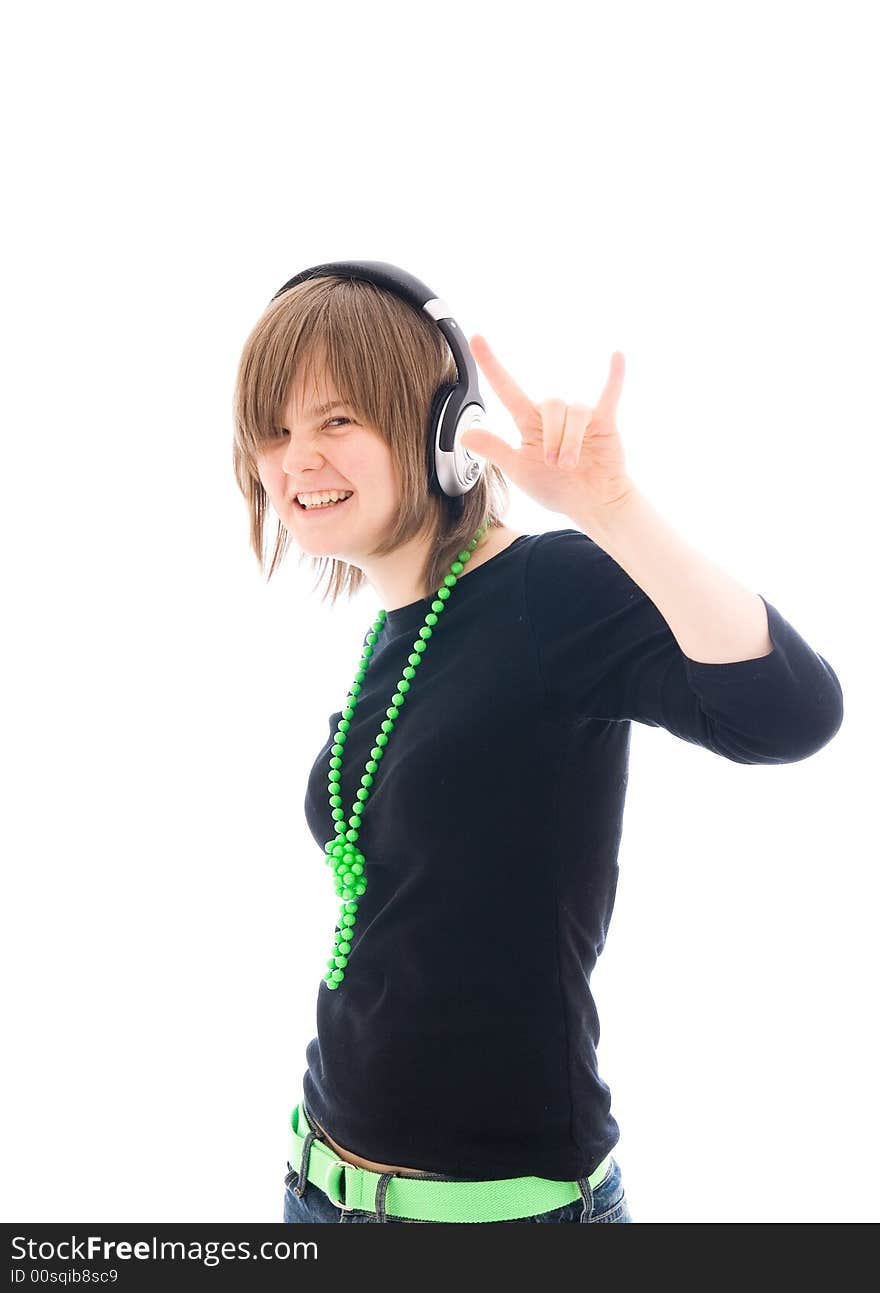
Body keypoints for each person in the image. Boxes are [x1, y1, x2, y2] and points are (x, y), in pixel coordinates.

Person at [231, 264, 844, 1224]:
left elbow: (790, 712)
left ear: (438, 430)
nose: (296, 459)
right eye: (274, 431)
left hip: (497, 1216)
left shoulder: (546, 593)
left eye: (338, 419)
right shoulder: (401, 623)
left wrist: (611, 510)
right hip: (320, 1187)